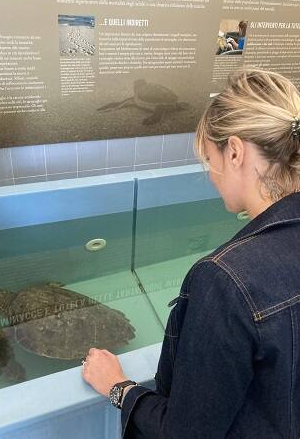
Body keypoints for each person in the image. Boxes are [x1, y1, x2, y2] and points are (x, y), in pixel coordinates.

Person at [82, 68, 300, 438]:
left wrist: (119, 387)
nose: (211, 176)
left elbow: (187, 432)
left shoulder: (226, 280)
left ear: (234, 151)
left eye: (208, 160)